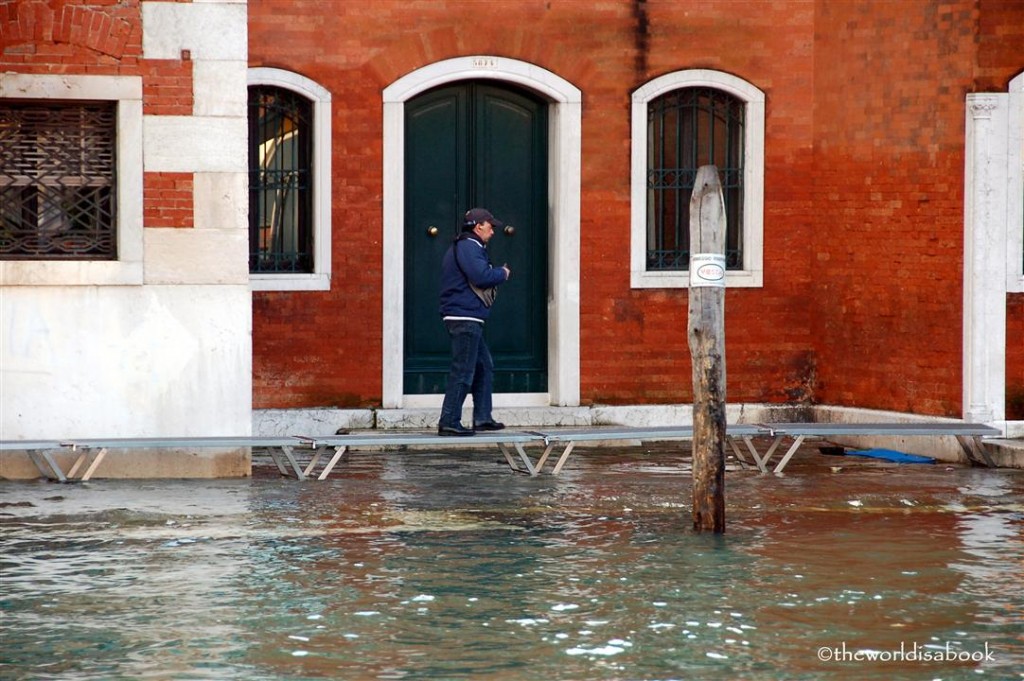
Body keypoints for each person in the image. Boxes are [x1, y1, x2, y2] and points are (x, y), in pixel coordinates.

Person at [437, 207, 512, 436]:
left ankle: (482, 417)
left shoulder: (468, 245)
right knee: (464, 371)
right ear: (478, 226)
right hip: (464, 316)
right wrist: (502, 273)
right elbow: (480, 276)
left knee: (483, 365)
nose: (493, 231)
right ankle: (449, 420)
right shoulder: (469, 246)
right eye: (490, 226)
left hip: (467, 315)